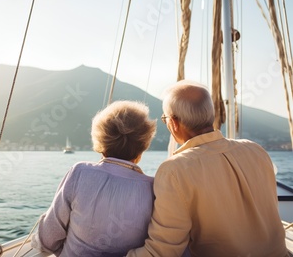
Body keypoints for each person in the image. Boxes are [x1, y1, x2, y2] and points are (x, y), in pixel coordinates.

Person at [127, 80, 288, 257]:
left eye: (165, 119)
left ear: (173, 123)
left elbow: (162, 251)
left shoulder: (174, 170)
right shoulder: (256, 150)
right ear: (210, 115)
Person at [31, 100, 157, 256]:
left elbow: (47, 241)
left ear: (100, 140)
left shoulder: (80, 172)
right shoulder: (154, 189)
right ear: (143, 144)